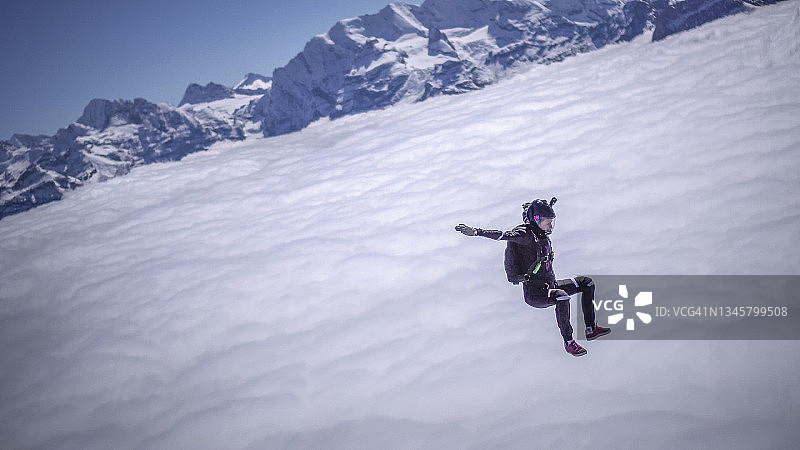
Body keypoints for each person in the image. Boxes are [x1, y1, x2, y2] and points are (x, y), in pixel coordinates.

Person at [455, 197, 610, 356]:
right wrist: (477, 232)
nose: (551, 226)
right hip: (536, 294)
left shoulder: (539, 232)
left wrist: (531, 208)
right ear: (536, 220)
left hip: (551, 285)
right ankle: (569, 342)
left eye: (552, 222)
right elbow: (504, 235)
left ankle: (591, 329)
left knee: (587, 283)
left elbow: (533, 218)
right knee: (562, 297)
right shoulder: (525, 234)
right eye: (548, 222)